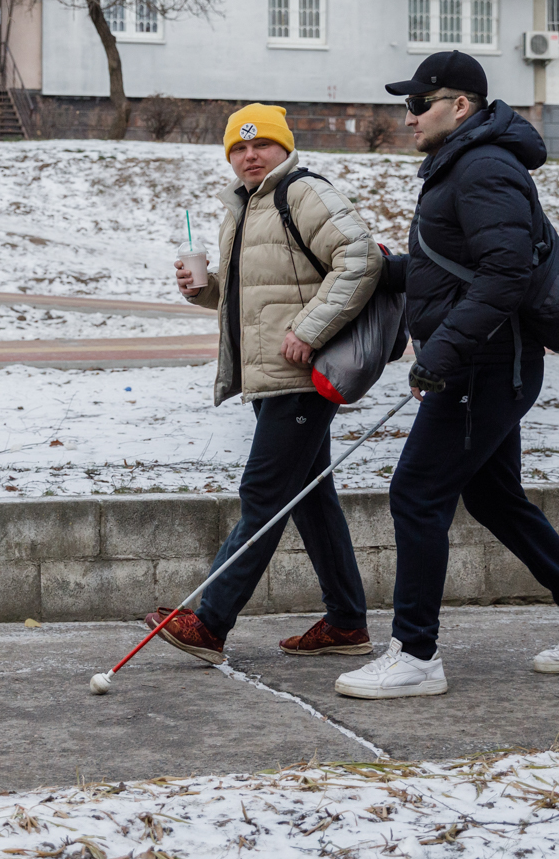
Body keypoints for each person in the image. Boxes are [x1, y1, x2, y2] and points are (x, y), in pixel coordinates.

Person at [334, 52, 559, 700]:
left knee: (416, 493)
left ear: (459, 106)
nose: (407, 116)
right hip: (489, 362)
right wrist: (387, 271)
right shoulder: (466, 164)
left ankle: (415, 654)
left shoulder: (483, 167)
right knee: (494, 498)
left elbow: (506, 275)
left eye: (419, 103)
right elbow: (460, 264)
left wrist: (441, 353)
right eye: (405, 104)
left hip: (483, 366)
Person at [148, 103, 383, 663]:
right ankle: (348, 623)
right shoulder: (244, 207)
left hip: (299, 378)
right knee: (310, 499)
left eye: (261, 145)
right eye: (239, 148)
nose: (250, 156)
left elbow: (361, 257)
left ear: (285, 148)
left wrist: (310, 326)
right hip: (272, 378)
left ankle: (210, 622)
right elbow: (249, 292)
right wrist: (203, 290)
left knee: (264, 494)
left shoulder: (303, 193)